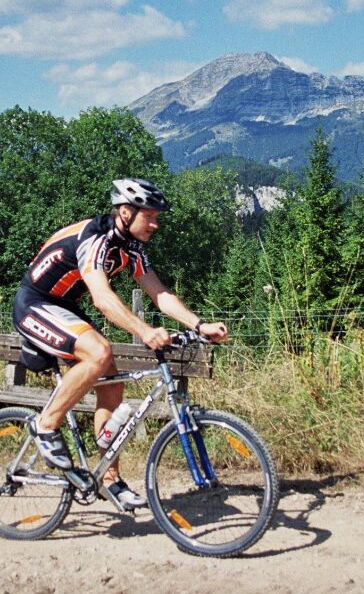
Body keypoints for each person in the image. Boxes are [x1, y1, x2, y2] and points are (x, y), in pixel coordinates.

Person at [12, 177, 228, 509]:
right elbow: (102, 298)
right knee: (100, 352)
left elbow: (160, 294)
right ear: (126, 212)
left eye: (157, 217)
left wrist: (199, 324)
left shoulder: (131, 248)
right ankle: (45, 425)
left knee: (111, 382)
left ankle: (108, 479)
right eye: (150, 216)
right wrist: (144, 331)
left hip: (64, 307)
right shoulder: (96, 239)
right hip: (35, 304)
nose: (156, 223)